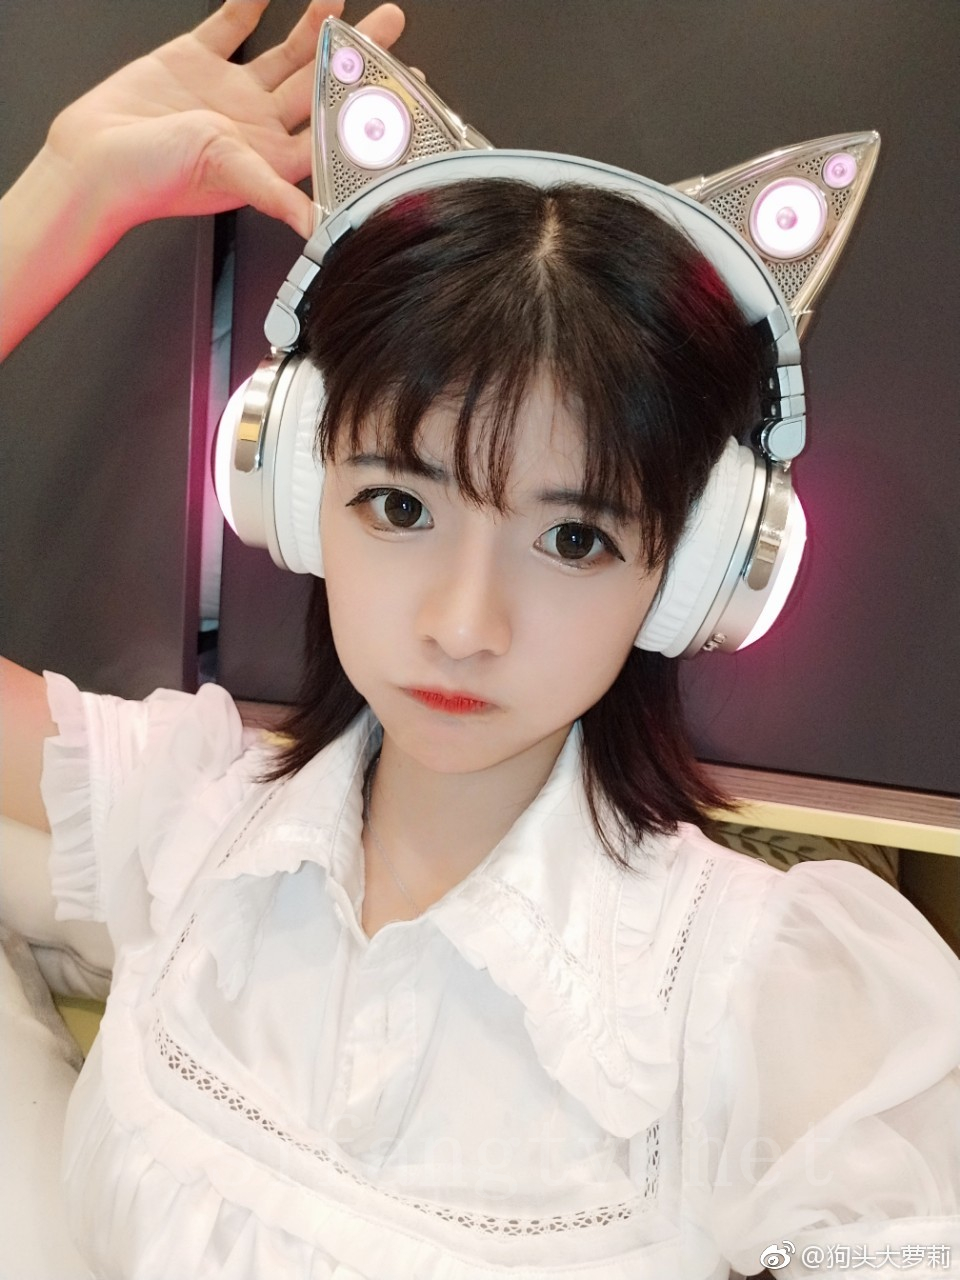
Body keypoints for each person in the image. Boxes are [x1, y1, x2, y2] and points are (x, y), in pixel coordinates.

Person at [2, 3, 959, 1278]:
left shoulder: (761, 998)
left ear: (694, 576)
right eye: (400, 507)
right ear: (295, 491)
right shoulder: (184, 810)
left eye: (574, 538)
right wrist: (65, 192)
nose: (464, 624)